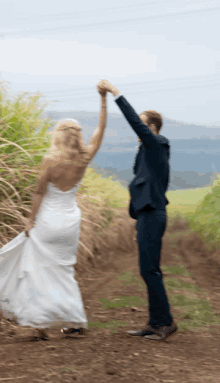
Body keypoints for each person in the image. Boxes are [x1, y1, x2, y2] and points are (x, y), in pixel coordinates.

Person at [0, 84, 108, 339]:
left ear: (58, 136)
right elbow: (101, 130)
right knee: (65, 270)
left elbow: (38, 193)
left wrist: (29, 221)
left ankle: (38, 322)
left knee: (38, 271)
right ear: (78, 137)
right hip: (70, 222)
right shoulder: (84, 158)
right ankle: (75, 320)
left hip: (48, 222)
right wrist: (103, 100)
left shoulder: (50, 161)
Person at [97, 79, 178, 341]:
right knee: (147, 269)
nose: (137, 129)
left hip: (153, 214)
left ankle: (164, 322)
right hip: (147, 215)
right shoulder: (147, 152)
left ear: (151, 127)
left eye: (143, 125)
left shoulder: (156, 145)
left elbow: (134, 121)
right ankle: (155, 322)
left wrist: (115, 93)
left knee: (150, 270)